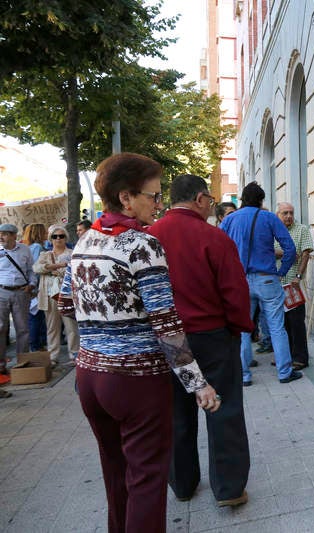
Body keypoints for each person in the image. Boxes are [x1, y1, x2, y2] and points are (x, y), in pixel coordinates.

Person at [58, 153, 219, 533]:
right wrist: (199, 384)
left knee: (116, 475)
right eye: (154, 196)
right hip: (136, 380)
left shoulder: (84, 242)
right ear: (126, 198)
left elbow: (65, 302)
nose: (160, 204)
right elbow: (166, 324)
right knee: (146, 480)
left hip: (90, 376)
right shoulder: (142, 246)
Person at [149, 175, 253, 507]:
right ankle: (229, 488)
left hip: (167, 339)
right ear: (199, 199)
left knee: (176, 413)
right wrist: (238, 329)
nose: (210, 205)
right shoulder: (213, 237)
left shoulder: (149, 238)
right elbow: (235, 292)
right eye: (208, 199)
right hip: (211, 336)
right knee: (224, 411)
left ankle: (182, 483)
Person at [220, 182, 300, 385]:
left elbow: (218, 248)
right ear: (261, 200)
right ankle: (284, 372)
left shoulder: (230, 220)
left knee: (243, 329)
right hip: (267, 278)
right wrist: (281, 272)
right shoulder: (269, 217)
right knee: (276, 327)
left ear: (243, 199)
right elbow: (290, 249)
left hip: (240, 280)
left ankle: (244, 376)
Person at [33, 224, 79, 366]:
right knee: (52, 327)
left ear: (66, 238)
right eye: (55, 236)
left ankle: (74, 354)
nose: (58, 239)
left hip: (68, 295)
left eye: (61, 236)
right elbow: (36, 268)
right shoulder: (45, 254)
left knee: (71, 326)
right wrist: (55, 266)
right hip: (49, 295)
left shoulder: (73, 253)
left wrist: (55, 269)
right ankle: (53, 356)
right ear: (50, 239)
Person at [275, 202, 313, 370]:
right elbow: (267, 250)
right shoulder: (273, 229)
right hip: (276, 285)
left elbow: (305, 254)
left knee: (296, 322)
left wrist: (298, 276)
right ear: (278, 214)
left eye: (291, 212)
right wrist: (287, 253)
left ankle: (300, 359)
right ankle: (285, 356)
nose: (289, 216)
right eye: (285, 213)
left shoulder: (302, 229)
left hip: (292, 284)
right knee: (281, 324)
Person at [0, 223, 36, 398]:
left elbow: (31, 270)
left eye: (5, 234)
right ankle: (1, 366)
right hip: (1, 292)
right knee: (1, 329)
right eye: (0, 234)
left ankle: (22, 362)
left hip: (21, 292)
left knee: (22, 329)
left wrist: (32, 284)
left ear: (14, 236)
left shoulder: (25, 250)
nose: (2, 237)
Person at [22, 223, 47, 352]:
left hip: (29, 286)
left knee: (33, 317)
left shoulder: (28, 247)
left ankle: (35, 344)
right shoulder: (37, 247)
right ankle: (35, 346)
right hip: (35, 288)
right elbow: (36, 268)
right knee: (36, 317)